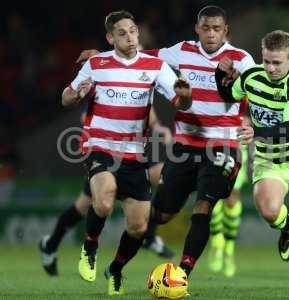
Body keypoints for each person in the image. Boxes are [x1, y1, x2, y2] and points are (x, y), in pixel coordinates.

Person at [77, 5, 255, 280]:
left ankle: (182, 274)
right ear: (197, 29)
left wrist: (251, 123)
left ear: (226, 30)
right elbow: (141, 58)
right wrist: (102, 57)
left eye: (217, 28)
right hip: (185, 146)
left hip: (223, 143)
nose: (211, 34)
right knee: (158, 216)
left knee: (203, 206)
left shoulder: (241, 60)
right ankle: (116, 268)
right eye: (205, 28)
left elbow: (262, 91)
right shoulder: (182, 50)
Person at [62, 10, 191, 296]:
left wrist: (186, 95)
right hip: (98, 145)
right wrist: (76, 94)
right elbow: (66, 96)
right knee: (104, 200)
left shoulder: (155, 66)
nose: (131, 37)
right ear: (110, 38)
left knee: (138, 226)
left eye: (133, 31)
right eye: (122, 33)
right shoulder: (96, 64)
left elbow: (180, 102)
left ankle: (115, 270)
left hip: (134, 152)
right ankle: (90, 246)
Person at [215, 30, 289, 295]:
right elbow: (229, 94)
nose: (271, 68)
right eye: (266, 61)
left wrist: (256, 133)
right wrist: (220, 74)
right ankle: (286, 225)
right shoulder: (252, 76)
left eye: (277, 62)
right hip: (269, 159)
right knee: (268, 210)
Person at [39, 110, 175, 277]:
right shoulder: (107, 87)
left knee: (165, 176)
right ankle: (51, 245)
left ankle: (150, 237)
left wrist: (158, 127)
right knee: (83, 206)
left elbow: (148, 108)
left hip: (134, 152)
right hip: (106, 152)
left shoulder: (143, 86)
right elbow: (86, 115)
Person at [208, 115, 252, 277]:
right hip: (214, 145)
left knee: (232, 198)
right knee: (213, 195)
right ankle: (217, 242)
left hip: (236, 148)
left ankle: (229, 249)